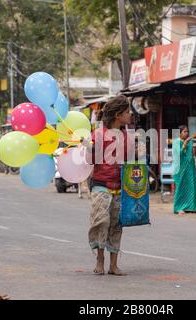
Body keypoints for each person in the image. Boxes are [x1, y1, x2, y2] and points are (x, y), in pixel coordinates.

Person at [85, 95, 134, 276]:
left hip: (120, 186)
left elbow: (130, 161)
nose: (130, 115)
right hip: (100, 184)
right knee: (101, 221)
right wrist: (89, 150)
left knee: (116, 224)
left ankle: (113, 265)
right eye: (127, 112)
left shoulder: (126, 136)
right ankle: (100, 260)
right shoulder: (98, 135)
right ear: (118, 115)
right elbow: (89, 160)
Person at [172, 125, 196, 216]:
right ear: (180, 133)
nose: (187, 133)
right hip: (180, 168)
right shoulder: (176, 142)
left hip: (190, 167)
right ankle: (178, 208)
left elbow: (193, 154)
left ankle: (193, 207)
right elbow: (179, 154)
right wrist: (185, 144)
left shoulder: (190, 142)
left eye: (187, 131)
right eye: (184, 131)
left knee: (192, 186)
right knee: (181, 188)